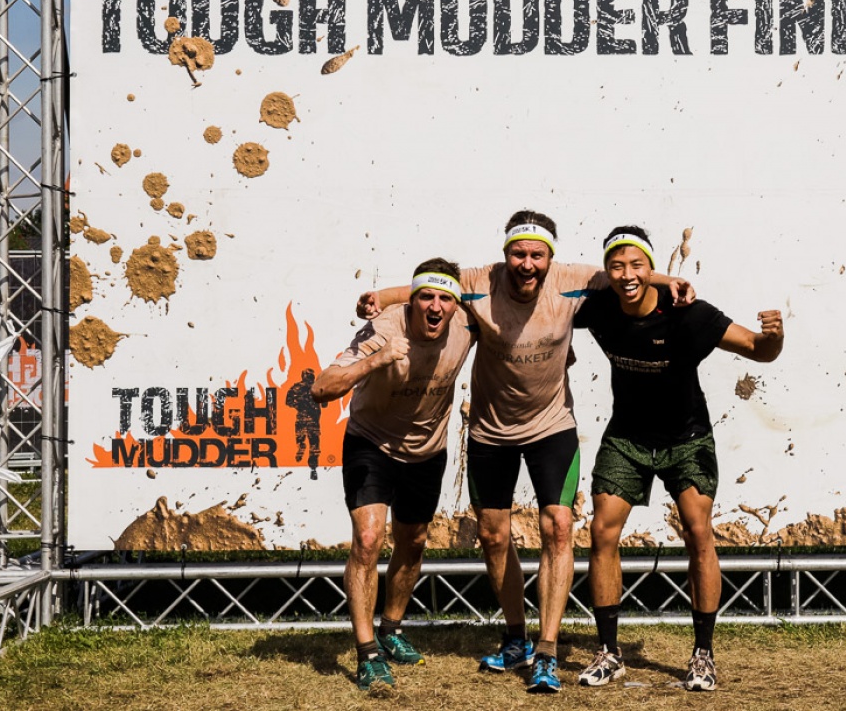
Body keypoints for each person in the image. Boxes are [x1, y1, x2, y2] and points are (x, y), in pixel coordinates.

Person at [358, 210, 693, 694]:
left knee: (557, 528)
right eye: (519, 253)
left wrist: (670, 281)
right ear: (506, 253)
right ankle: (516, 637)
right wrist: (380, 297)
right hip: (490, 432)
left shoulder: (571, 281)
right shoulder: (480, 282)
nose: (528, 263)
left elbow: (625, 275)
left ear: (550, 257)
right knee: (493, 536)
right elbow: (429, 288)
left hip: (551, 427)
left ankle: (547, 650)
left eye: (537, 254)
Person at [571, 226, 783, 692]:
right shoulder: (599, 307)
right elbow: (544, 292)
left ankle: (703, 655)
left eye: (636, 265)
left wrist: (775, 335)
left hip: (686, 438)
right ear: (607, 272)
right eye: (616, 266)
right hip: (627, 437)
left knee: (698, 533)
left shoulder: (689, 315)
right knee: (601, 531)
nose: (627, 275)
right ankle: (609, 652)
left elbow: (758, 349)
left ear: (651, 269)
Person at [313, 259, 476, 694]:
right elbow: (321, 388)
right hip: (372, 443)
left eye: (445, 298)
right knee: (368, 540)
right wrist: (378, 359)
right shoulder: (384, 329)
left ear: (456, 304)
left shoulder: (467, 323)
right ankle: (367, 652)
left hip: (426, 451)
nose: (436, 307)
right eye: (426, 297)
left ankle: (391, 629)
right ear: (413, 300)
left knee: (414, 540)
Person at [284, 368, 322, 479]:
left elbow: (288, 401)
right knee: (314, 443)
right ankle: (313, 467)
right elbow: (325, 403)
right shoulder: (317, 387)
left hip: (301, 418)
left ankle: (301, 449)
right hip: (313, 419)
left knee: (300, 438)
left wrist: (298, 405)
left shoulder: (296, 387)